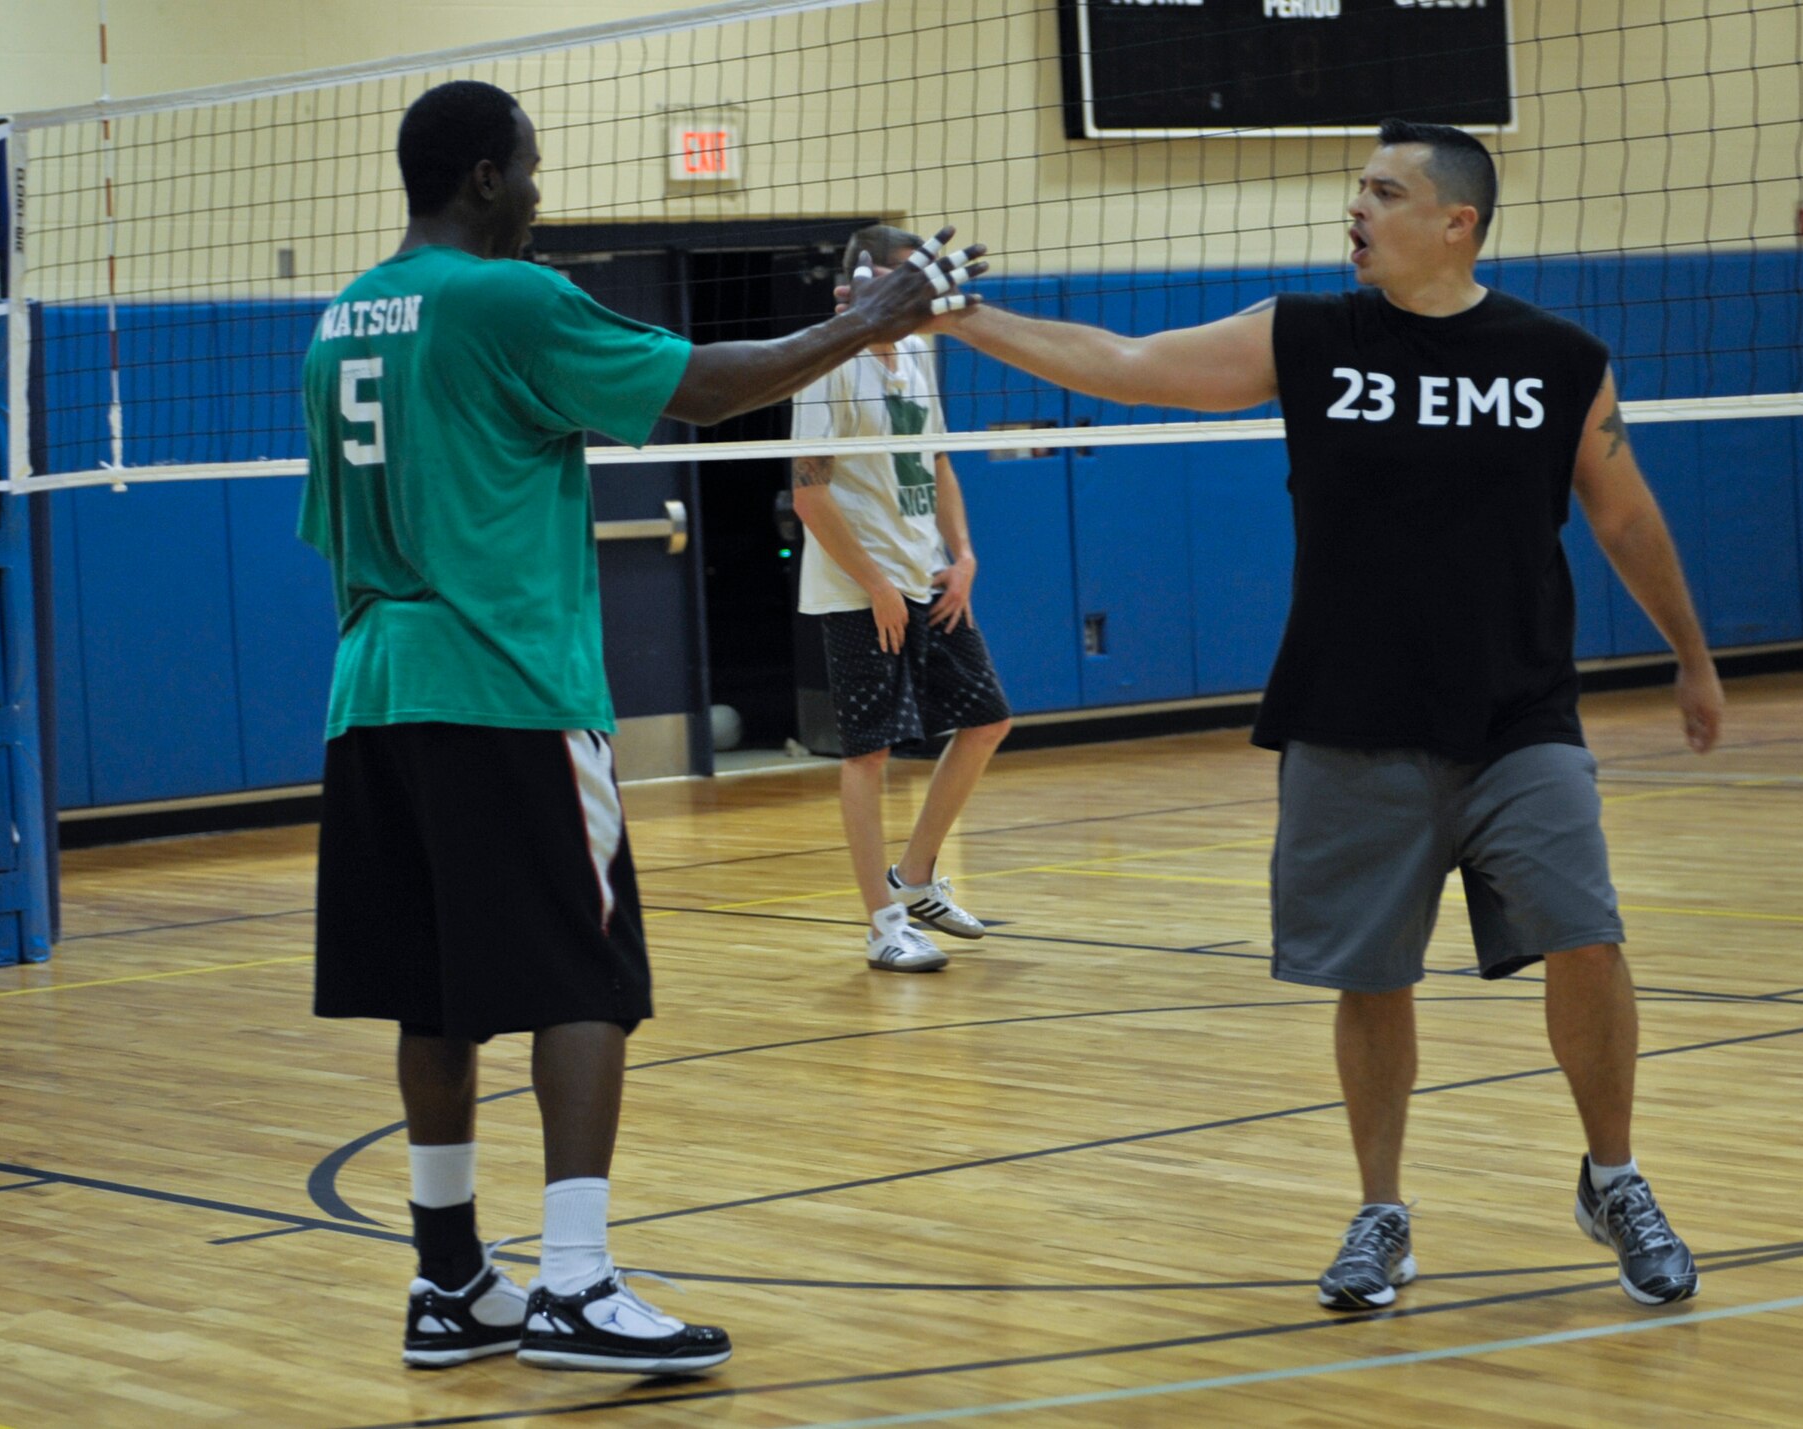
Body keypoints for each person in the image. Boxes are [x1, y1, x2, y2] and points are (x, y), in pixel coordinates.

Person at [932, 119, 1722, 1311]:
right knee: (1373, 974)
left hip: (1518, 713)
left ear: (1454, 222)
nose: (1355, 206)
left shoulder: (1557, 357)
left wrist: (1691, 657)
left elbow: (1621, 513)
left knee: (1588, 934)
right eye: (1357, 186)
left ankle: (1611, 1176)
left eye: (1383, 190)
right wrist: (958, 319)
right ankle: (1380, 1214)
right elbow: (1128, 362)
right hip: (1349, 710)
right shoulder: (1304, 336)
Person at [300, 80, 982, 1374]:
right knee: (586, 981)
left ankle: (450, 1281)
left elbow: (333, 532)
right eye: (536, 168)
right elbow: (705, 389)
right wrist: (880, 317)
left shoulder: (342, 324)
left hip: (371, 692)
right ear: (490, 176)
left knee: (432, 991)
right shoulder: (505, 299)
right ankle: (574, 1282)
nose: (544, 192)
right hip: (507, 689)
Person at [790, 225, 1014, 973]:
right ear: (864, 284)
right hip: (861, 589)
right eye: (906, 281)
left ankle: (914, 879)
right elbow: (808, 493)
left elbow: (938, 459)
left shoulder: (919, 350)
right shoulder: (827, 360)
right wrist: (879, 585)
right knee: (869, 751)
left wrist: (965, 555)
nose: (922, 295)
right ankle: (883, 923)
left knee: (987, 720)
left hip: (926, 574)